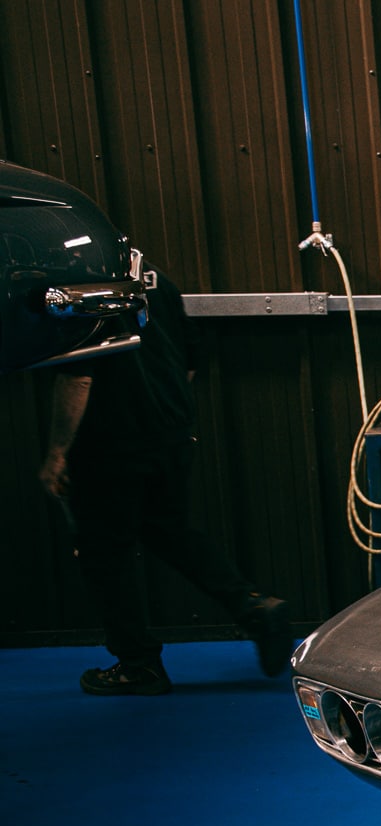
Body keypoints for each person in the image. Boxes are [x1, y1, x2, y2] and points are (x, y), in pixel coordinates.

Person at [39, 263, 292, 695]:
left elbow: (78, 375)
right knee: (170, 531)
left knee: (104, 553)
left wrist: (58, 452)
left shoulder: (81, 288)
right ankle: (253, 607)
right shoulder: (154, 277)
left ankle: (138, 663)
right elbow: (190, 358)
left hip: (110, 439)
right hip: (169, 430)